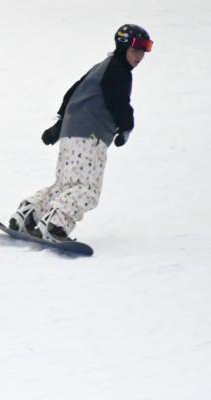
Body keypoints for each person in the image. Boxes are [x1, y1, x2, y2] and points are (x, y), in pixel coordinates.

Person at [9, 24, 152, 241]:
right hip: (90, 137)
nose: (140, 56)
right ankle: (56, 224)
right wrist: (126, 126)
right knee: (88, 189)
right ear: (123, 47)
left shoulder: (100, 68)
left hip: (71, 133)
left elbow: (73, 92)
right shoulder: (118, 71)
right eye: (136, 50)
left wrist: (59, 127)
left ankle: (27, 215)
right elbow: (119, 102)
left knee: (66, 186)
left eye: (144, 50)